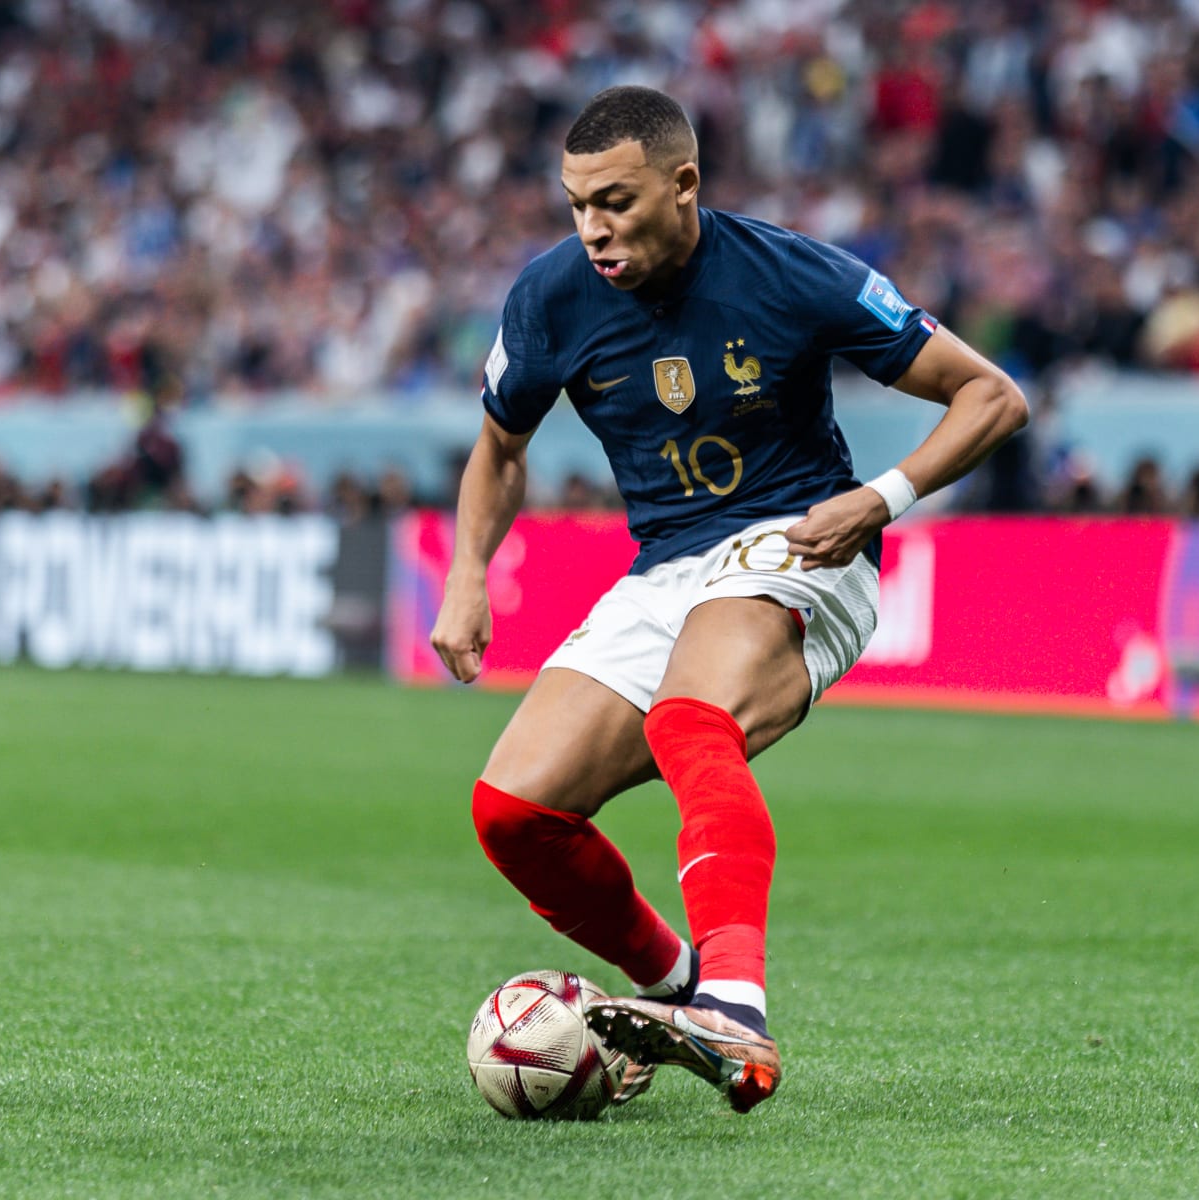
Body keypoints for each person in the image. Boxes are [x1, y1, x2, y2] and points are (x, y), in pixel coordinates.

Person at [428, 86, 1029, 1114]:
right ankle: (674, 999)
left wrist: (876, 500)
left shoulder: (791, 273)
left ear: (684, 184)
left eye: (614, 202)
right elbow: (500, 447)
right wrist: (466, 573)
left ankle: (736, 1014)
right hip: (665, 567)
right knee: (515, 813)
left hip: (799, 543)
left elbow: (993, 396)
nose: (593, 231)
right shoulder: (550, 297)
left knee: (689, 719)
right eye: (576, 206)